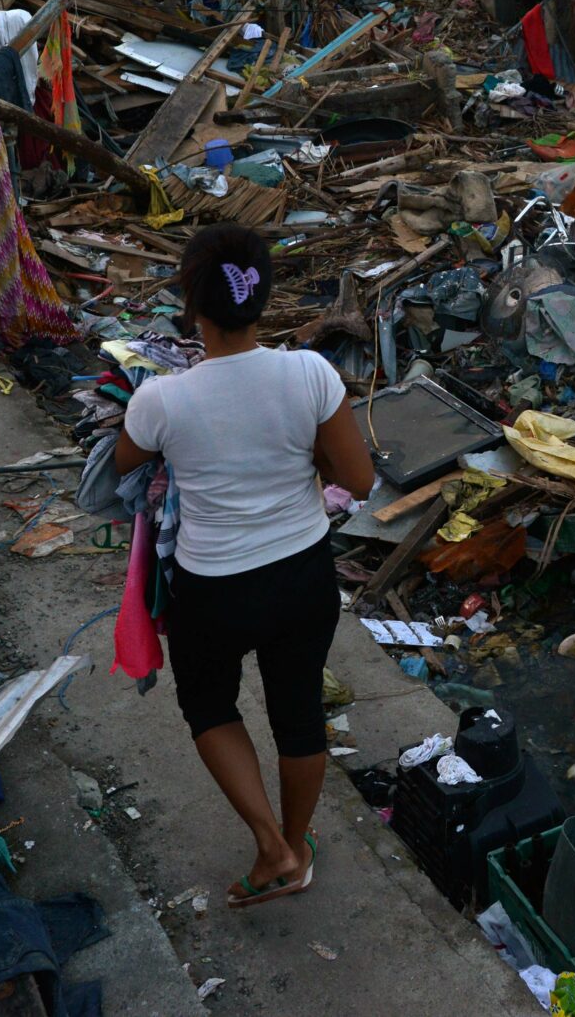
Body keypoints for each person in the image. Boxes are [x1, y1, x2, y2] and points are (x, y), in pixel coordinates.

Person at [113, 225, 374, 908]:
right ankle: (297, 849)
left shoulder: (162, 399)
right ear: (263, 296)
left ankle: (270, 845)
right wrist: (305, 455)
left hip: (214, 590)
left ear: (191, 301)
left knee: (208, 705)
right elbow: (359, 480)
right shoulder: (310, 373)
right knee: (298, 710)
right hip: (303, 576)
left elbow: (122, 462)